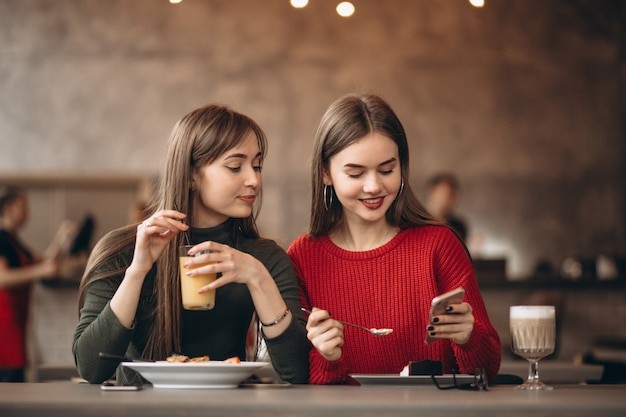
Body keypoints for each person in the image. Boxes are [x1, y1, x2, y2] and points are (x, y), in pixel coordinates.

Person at [73, 104, 310, 385]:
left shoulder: (263, 258)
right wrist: (137, 271)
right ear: (190, 176)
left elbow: (297, 372)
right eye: (235, 167)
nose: (254, 180)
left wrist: (257, 278)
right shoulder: (123, 250)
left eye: (257, 166)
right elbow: (90, 367)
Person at [287, 94, 501, 384]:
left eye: (387, 170)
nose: (374, 186)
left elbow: (487, 371)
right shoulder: (303, 257)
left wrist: (467, 337)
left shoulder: (439, 245)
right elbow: (299, 382)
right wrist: (328, 358)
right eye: (355, 173)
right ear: (326, 173)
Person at [0, 187, 74, 382]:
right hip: (4, 327)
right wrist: (41, 271)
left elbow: (43, 262)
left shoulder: (13, 240)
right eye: (23, 206)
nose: (27, 212)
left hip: (17, 323)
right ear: (8, 208)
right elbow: (2, 278)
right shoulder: (1, 238)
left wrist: (62, 239)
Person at [425, 173, 467, 241]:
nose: (447, 199)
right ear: (431, 191)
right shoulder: (415, 221)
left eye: (452, 195)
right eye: (444, 193)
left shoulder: (459, 226)